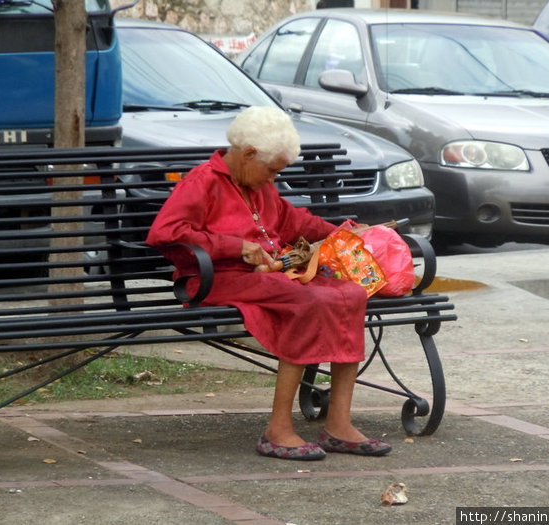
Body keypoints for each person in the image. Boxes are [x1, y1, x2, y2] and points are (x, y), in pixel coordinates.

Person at [146, 106, 391, 461]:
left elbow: (294, 221)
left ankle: (338, 424)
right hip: (217, 279)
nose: (273, 179)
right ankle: (277, 430)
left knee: (351, 293)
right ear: (247, 154)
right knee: (304, 300)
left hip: (268, 277)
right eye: (272, 170)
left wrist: (345, 233)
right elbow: (165, 233)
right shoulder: (203, 182)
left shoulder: (257, 184)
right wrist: (234, 246)